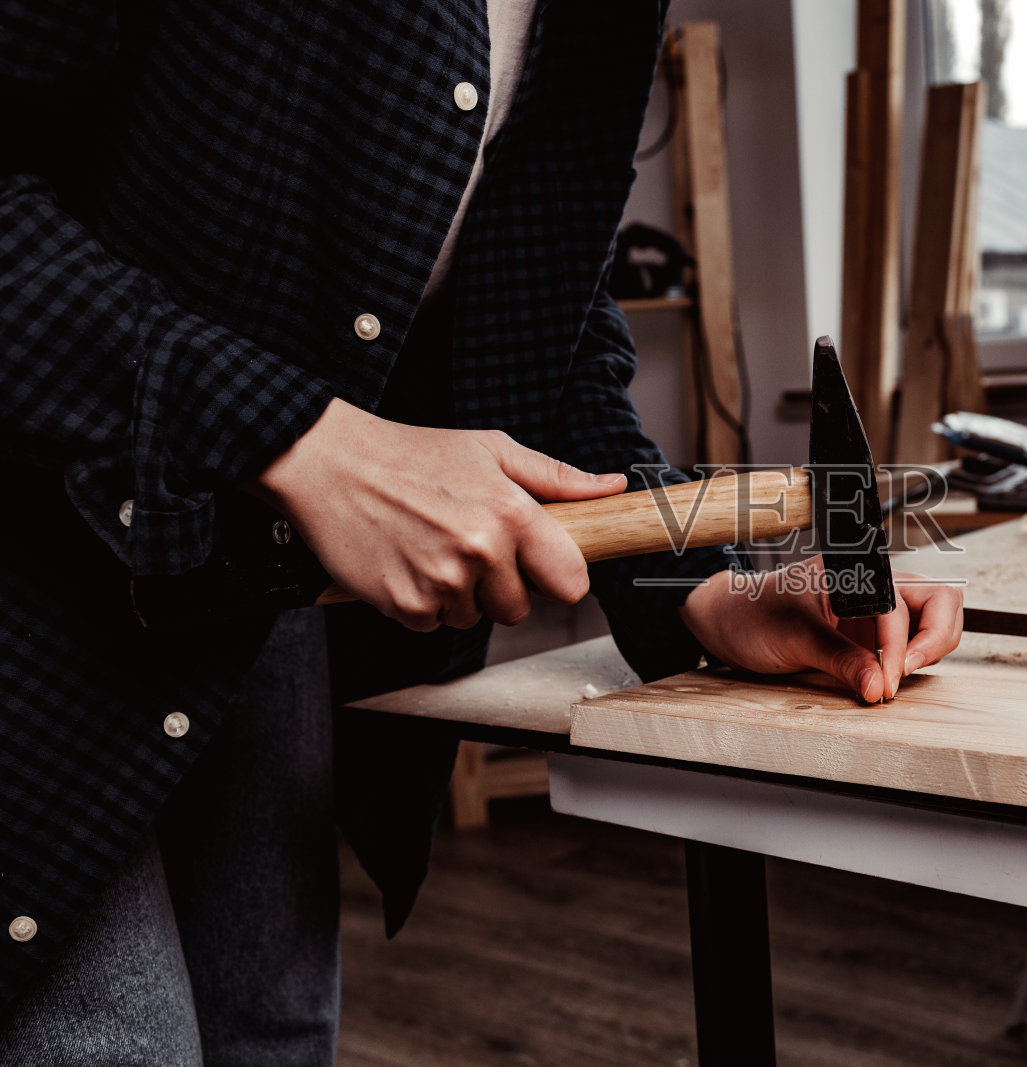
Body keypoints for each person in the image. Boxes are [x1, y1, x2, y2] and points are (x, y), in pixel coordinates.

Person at [0, 0, 963, 1061]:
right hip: (36, 572)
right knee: (115, 1041)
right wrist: (307, 442)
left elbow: (536, 314)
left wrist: (698, 582)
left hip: (245, 565)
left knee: (268, 1033)